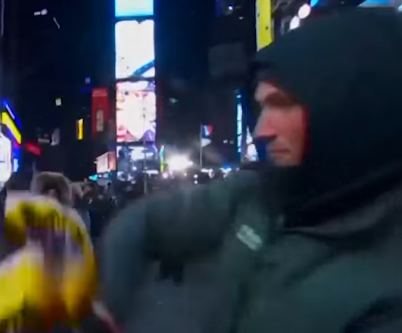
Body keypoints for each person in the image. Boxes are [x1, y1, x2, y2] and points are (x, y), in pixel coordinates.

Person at [98, 8, 402, 333]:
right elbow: (143, 222)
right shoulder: (252, 193)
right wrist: (106, 302)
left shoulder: (388, 286)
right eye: (262, 106)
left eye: (281, 104)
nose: (261, 130)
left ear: (348, 107)